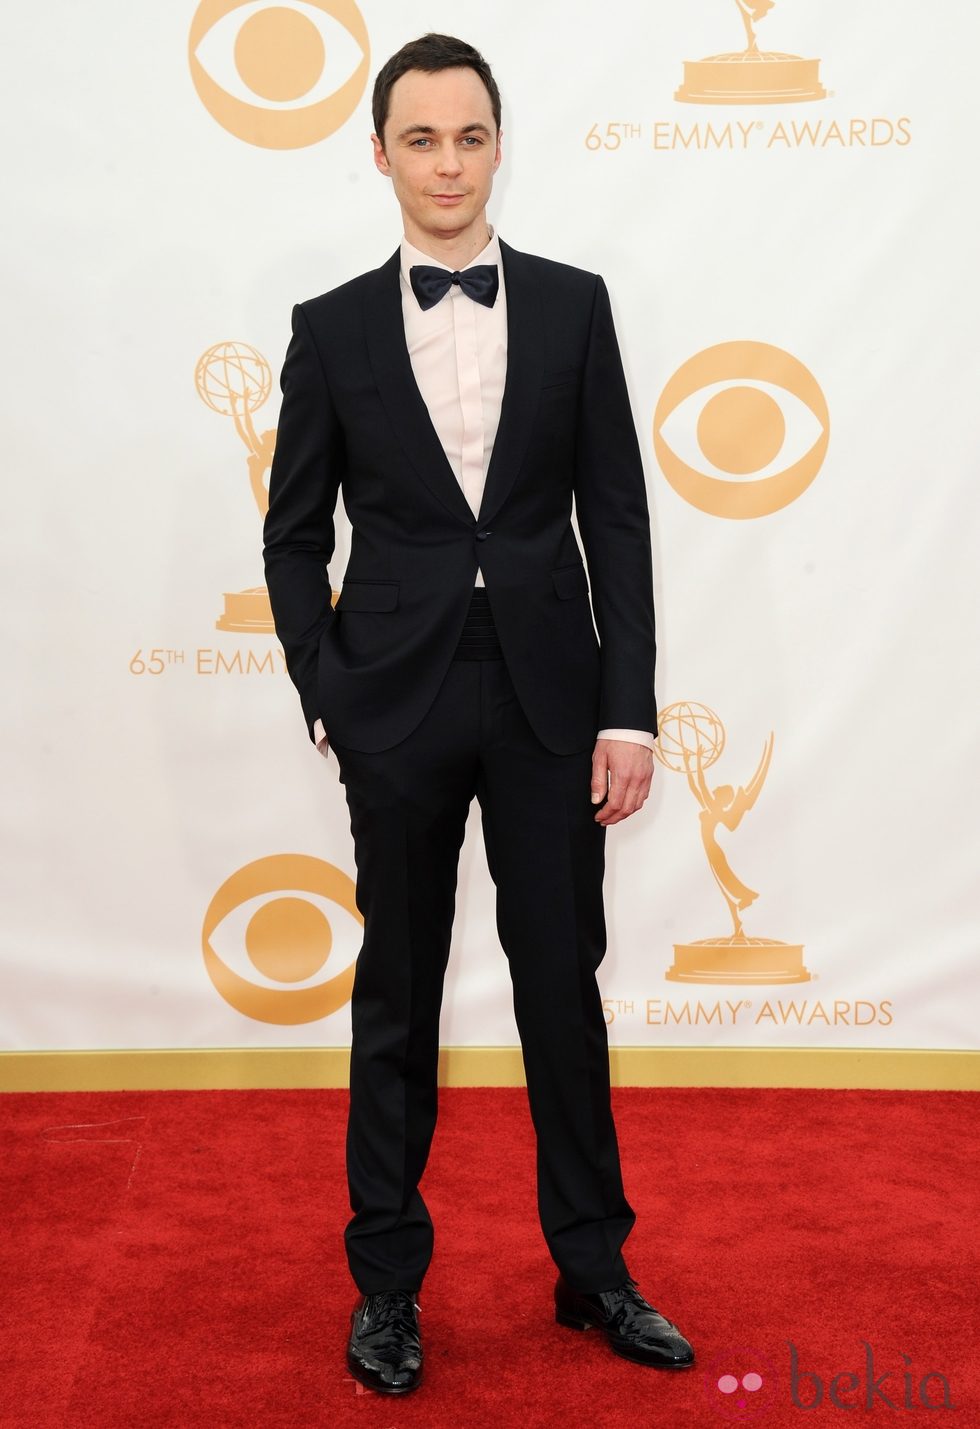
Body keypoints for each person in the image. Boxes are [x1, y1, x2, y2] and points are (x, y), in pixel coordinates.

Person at [262, 32, 695, 1396]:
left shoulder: (573, 306)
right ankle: (387, 1283)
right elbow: (292, 536)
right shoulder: (329, 329)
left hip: (549, 702)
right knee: (396, 993)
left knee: (561, 990)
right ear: (380, 154)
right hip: (393, 704)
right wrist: (328, 686)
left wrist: (627, 707)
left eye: (469, 136)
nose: (446, 163)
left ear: (500, 145)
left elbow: (615, 518)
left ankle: (594, 1269)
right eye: (419, 138)